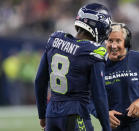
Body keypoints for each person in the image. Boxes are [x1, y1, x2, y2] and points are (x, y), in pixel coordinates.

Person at [35, 3, 112, 131]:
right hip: (75, 114)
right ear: (99, 25)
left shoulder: (55, 39)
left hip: (52, 114)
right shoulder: (94, 52)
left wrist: (42, 114)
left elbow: (39, 81)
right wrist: (106, 127)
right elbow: (99, 95)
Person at [104, 23, 139, 131]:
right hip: (113, 126)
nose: (113, 46)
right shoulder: (99, 65)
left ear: (126, 42)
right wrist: (103, 114)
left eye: (118, 41)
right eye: (110, 41)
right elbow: (90, 98)